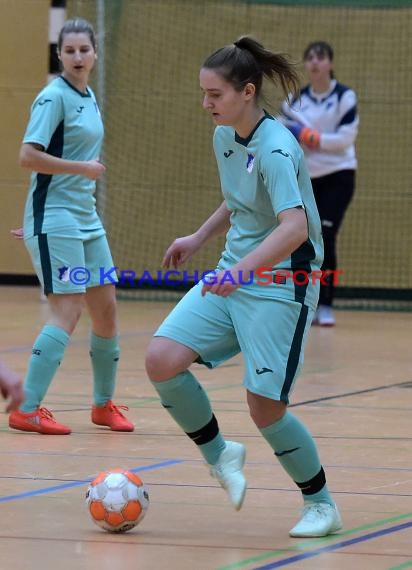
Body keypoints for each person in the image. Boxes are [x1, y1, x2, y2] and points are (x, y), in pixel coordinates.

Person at [145, 36, 342, 537]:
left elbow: (294, 227)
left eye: (215, 94)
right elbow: (238, 199)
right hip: (236, 272)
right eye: (204, 93)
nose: (206, 103)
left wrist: (240, 272)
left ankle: (321, 504)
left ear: (247, 92)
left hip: (281, 285)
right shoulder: (225, 136)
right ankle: (220, 454)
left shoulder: (277, 147)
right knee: (162, 359)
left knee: (265, 408)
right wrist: (199, 236)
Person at [9, 18, 134, 435]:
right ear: (59, 55)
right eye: (70, 50)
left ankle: (102, 405)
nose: (78, 57)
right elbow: (28, 156)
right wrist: (43, 217)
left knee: (107, 310)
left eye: (84, 49)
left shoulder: (89, 96)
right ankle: (27, 408)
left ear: (94, 53)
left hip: (84, 220)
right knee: (68, 307)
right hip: (57, 217)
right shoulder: (53, 98)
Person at [280, 41, 359, 326]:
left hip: (338, 176)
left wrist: (311, 137)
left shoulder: (344, 97)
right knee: (300, 238)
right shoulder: (295, 99)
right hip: (306, 178)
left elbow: (344, 141)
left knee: (326, 236)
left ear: (330, 63)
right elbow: (281, 125)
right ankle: (303, 300)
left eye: (320, 57)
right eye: (309, 57)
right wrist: (293, 131)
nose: (314, 62)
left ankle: (326, 304)